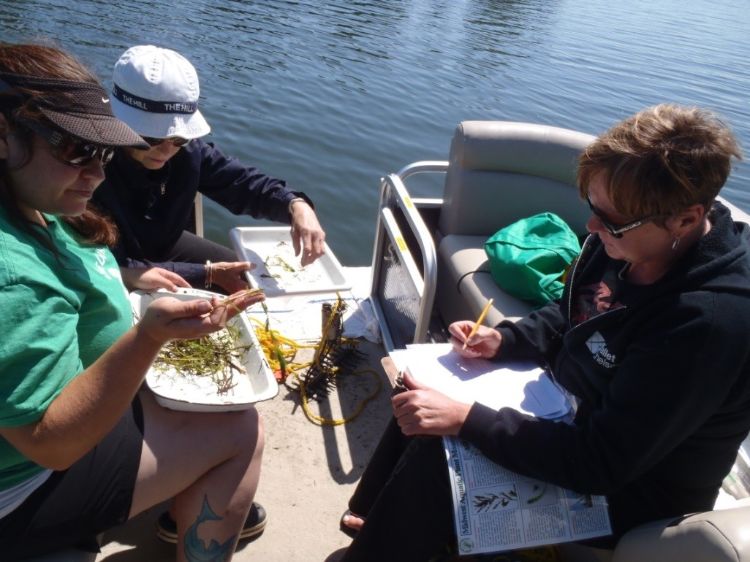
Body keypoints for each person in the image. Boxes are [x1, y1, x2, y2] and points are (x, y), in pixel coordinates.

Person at [339, 104, 750, 561]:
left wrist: (467, 419)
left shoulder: (707, 322)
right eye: (591, 208)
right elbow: (571, 310)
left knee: (443, 452)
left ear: (686, 220)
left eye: (610, 220)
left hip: (630, 493)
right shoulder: (624, 241)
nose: (592, 227)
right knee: (423, 387)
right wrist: (507, 341)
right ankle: (376, 520)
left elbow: (602, 463)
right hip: (566, 413)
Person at [0, 42, 268, 561]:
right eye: (76, 152)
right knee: (241, 428)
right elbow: (50, 443)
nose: (97, 174)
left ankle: (183, 500)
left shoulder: (38, 200)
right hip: (24, 487)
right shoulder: (13, 277)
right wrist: (148, 336)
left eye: (103, 153)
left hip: (70, 417)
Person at [90, 44, 326, 295]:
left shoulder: (190, 153)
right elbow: (99, 263)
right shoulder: (87, 165)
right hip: (107, 264)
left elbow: (243, 183)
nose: (168, 150)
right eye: (153, 138)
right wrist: (206, 273)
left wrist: (296, 205)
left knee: (248, 278)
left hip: (161, 246)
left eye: (179, 138)